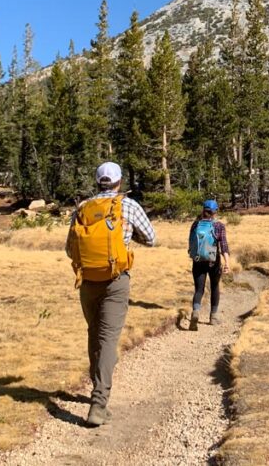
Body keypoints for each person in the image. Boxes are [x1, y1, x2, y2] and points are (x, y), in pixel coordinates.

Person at [66, 161, 156, 427]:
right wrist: (128, 239)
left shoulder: (82, 209)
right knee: (107, 340)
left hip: (87, 281)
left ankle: (98, 386)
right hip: (116, 280)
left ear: (97, 181)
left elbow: (70, 250)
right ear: (119, 182)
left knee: (94, 334)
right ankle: (98, 402)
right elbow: (151, 238)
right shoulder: (127, 206)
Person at [187, 199, 230, 330]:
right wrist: (227, 263)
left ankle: (196, 311)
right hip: (213, 261)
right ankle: (213, 317)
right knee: (215, 287)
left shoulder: (195, 224)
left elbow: (190, 243)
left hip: (198, 260)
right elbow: (224, 246)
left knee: (199, 289)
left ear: (203, 210)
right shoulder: (219, 226)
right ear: (215, 211)